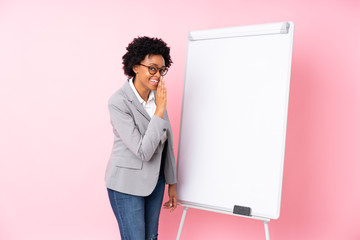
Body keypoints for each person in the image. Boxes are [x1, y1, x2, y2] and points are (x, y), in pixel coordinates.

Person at [105, 36, 177, 240]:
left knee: (151, 237)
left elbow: (167, 143)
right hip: (126, 185)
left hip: (155, 181)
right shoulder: (118, 102)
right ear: (136, 67)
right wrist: (160, 110)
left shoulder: (156, 97)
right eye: (152, 68)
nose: (158, 75)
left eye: (162, 70)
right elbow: (143, 151)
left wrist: (172, 183)